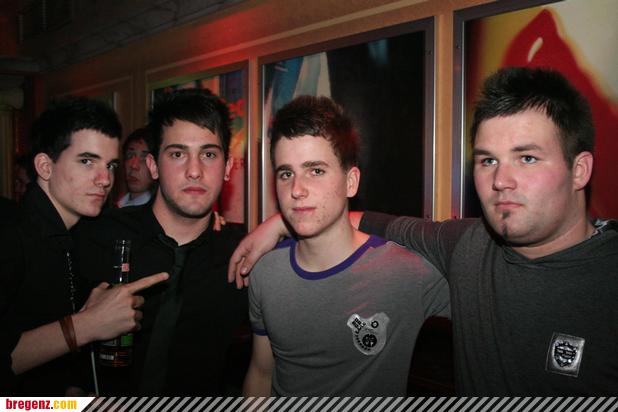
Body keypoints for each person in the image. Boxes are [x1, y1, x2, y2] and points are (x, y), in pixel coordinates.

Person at [229, 67, 618, 395]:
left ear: (580, 170)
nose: (501, 180)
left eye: (527, 158)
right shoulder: (465, 246)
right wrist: (283, 222)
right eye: (487, 161)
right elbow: (377, 222)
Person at [242, 96, 449, 396]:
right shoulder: (266, 273)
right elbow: (261, 373)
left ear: (351, 182)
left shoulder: (407, 272)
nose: (297, 190)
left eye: (315, 170)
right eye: (286, 174)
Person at [73, 88, 248, 395]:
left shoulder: (243, 256)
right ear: (154, 166)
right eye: (178, 154)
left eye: (208, 154)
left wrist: (278, 226)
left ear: (228, 167)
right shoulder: (97, 236)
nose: (194, 171)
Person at [0, 96, 168, 395]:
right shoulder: (10, 235)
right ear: (45, 166)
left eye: (110, 165)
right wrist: (87, 325)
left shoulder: (75, 234)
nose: (105, 179)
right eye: (87, 161)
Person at [116, 127, 155, 208]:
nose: (134, 166)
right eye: (130, 155)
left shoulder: (156, 210)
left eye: (144, 159)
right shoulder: (118, 204)